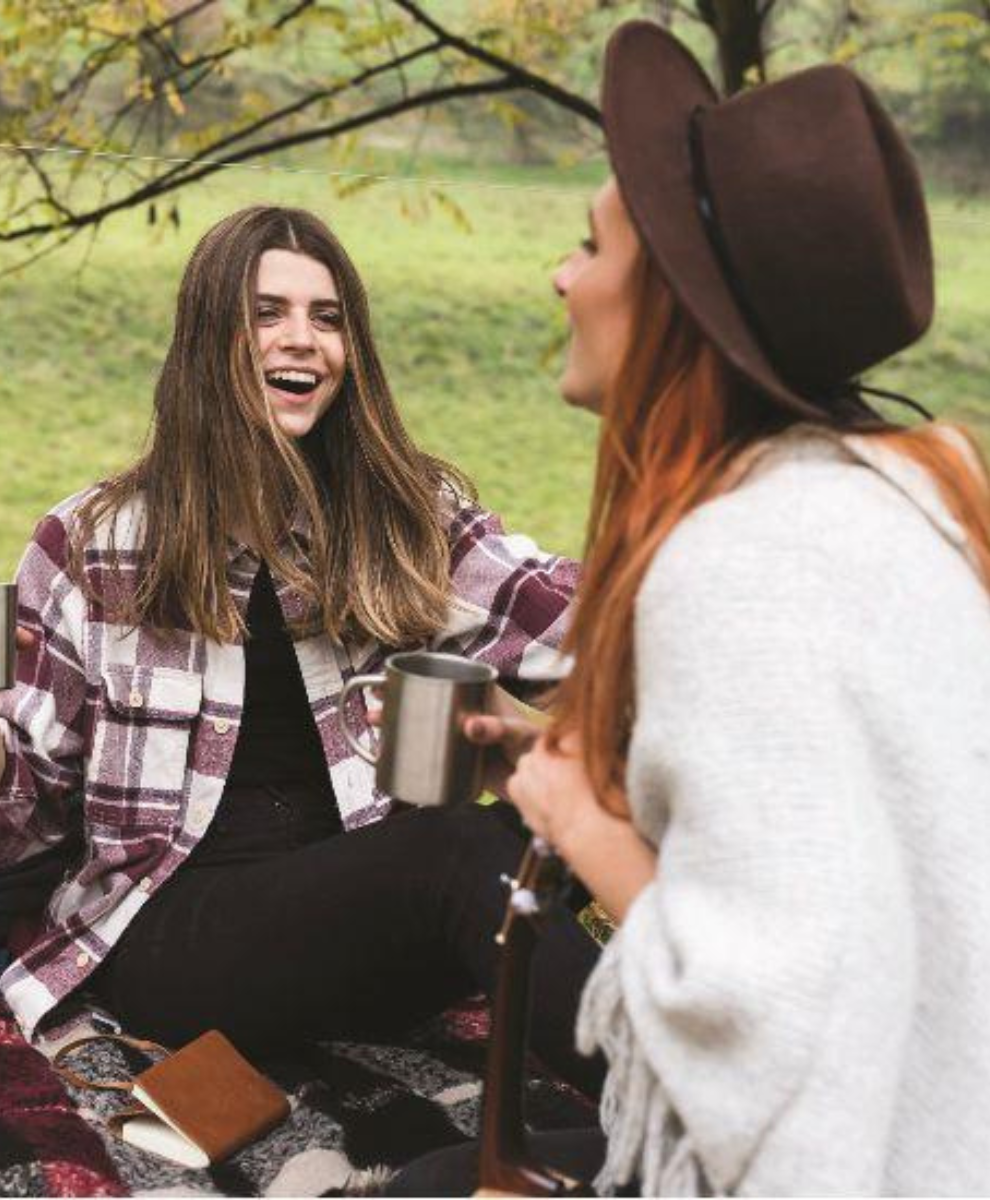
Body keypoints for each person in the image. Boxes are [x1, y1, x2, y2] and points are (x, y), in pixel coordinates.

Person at [397, 21, 990, 1196]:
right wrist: (583, 769)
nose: (561, 276)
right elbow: (830, 857)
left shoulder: (735, 560)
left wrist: (583, 822)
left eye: (590, 244)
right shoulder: (896, 497)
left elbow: (762, 1021)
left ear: (672, 300)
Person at [0, 205, 604, 1097]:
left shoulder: (404, 515)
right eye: (267, 313)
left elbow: (588, 636)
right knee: (462, 852)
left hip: (369, 922)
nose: (302, 338)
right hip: (179, 941)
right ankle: (673, 1113)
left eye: (327, 317)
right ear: (209, 341)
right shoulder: (95, 541)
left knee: (593, 809)